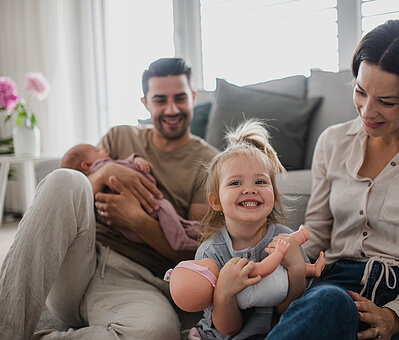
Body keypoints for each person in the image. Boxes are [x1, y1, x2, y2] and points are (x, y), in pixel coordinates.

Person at [0, 57, 218, 339]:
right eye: (160, 100)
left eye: (180, 98)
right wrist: (104, 175)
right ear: (145, 102)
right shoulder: (120, 137)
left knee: (155, 332)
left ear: (194, 97)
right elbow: (73, 198)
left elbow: (197, 253)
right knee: (66, 179)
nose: (171, 109)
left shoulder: (209, 163)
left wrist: (139, 222)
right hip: (80, 258)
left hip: (139, 283)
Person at [266, 19, 399, 340]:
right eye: (360, 92)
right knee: (327, 300)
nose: (367, 111)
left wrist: (397, 316)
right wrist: (282, 253)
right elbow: (317, 236)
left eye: (387, 102)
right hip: (338, 289)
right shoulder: (333, 142)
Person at [186, 120, 312, 340]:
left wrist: (296, 270)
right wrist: (224, 292)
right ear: (215, 201)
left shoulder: (285, 240)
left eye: (261, 182)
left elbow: (289, 313)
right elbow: (227, 329)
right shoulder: (210, 253)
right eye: (235, 183)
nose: (249, 190)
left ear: (274, 195)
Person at [60, 143, 199, 250]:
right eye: (98, 151)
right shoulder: (103, 162)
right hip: (145, 209)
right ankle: (182, 239)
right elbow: (76, 197)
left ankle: (185, 233)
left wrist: (136, 160)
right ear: (86, 164)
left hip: (138, 222)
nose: (105, 150)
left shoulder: (105, 162)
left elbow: (126, 162)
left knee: (171, 219)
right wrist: (106, 172)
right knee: (168, 213)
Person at [167, 224, 325, 313]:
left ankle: (313, 269)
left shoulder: (224, 301)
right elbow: (263, 269)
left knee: (286, 266)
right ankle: (302, 236)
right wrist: (278, 253)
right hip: (279, 288)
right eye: (198, 265)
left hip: (278, 291)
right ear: (207, 275)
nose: (202, 260)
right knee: (281, 250)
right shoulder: (232, 273)